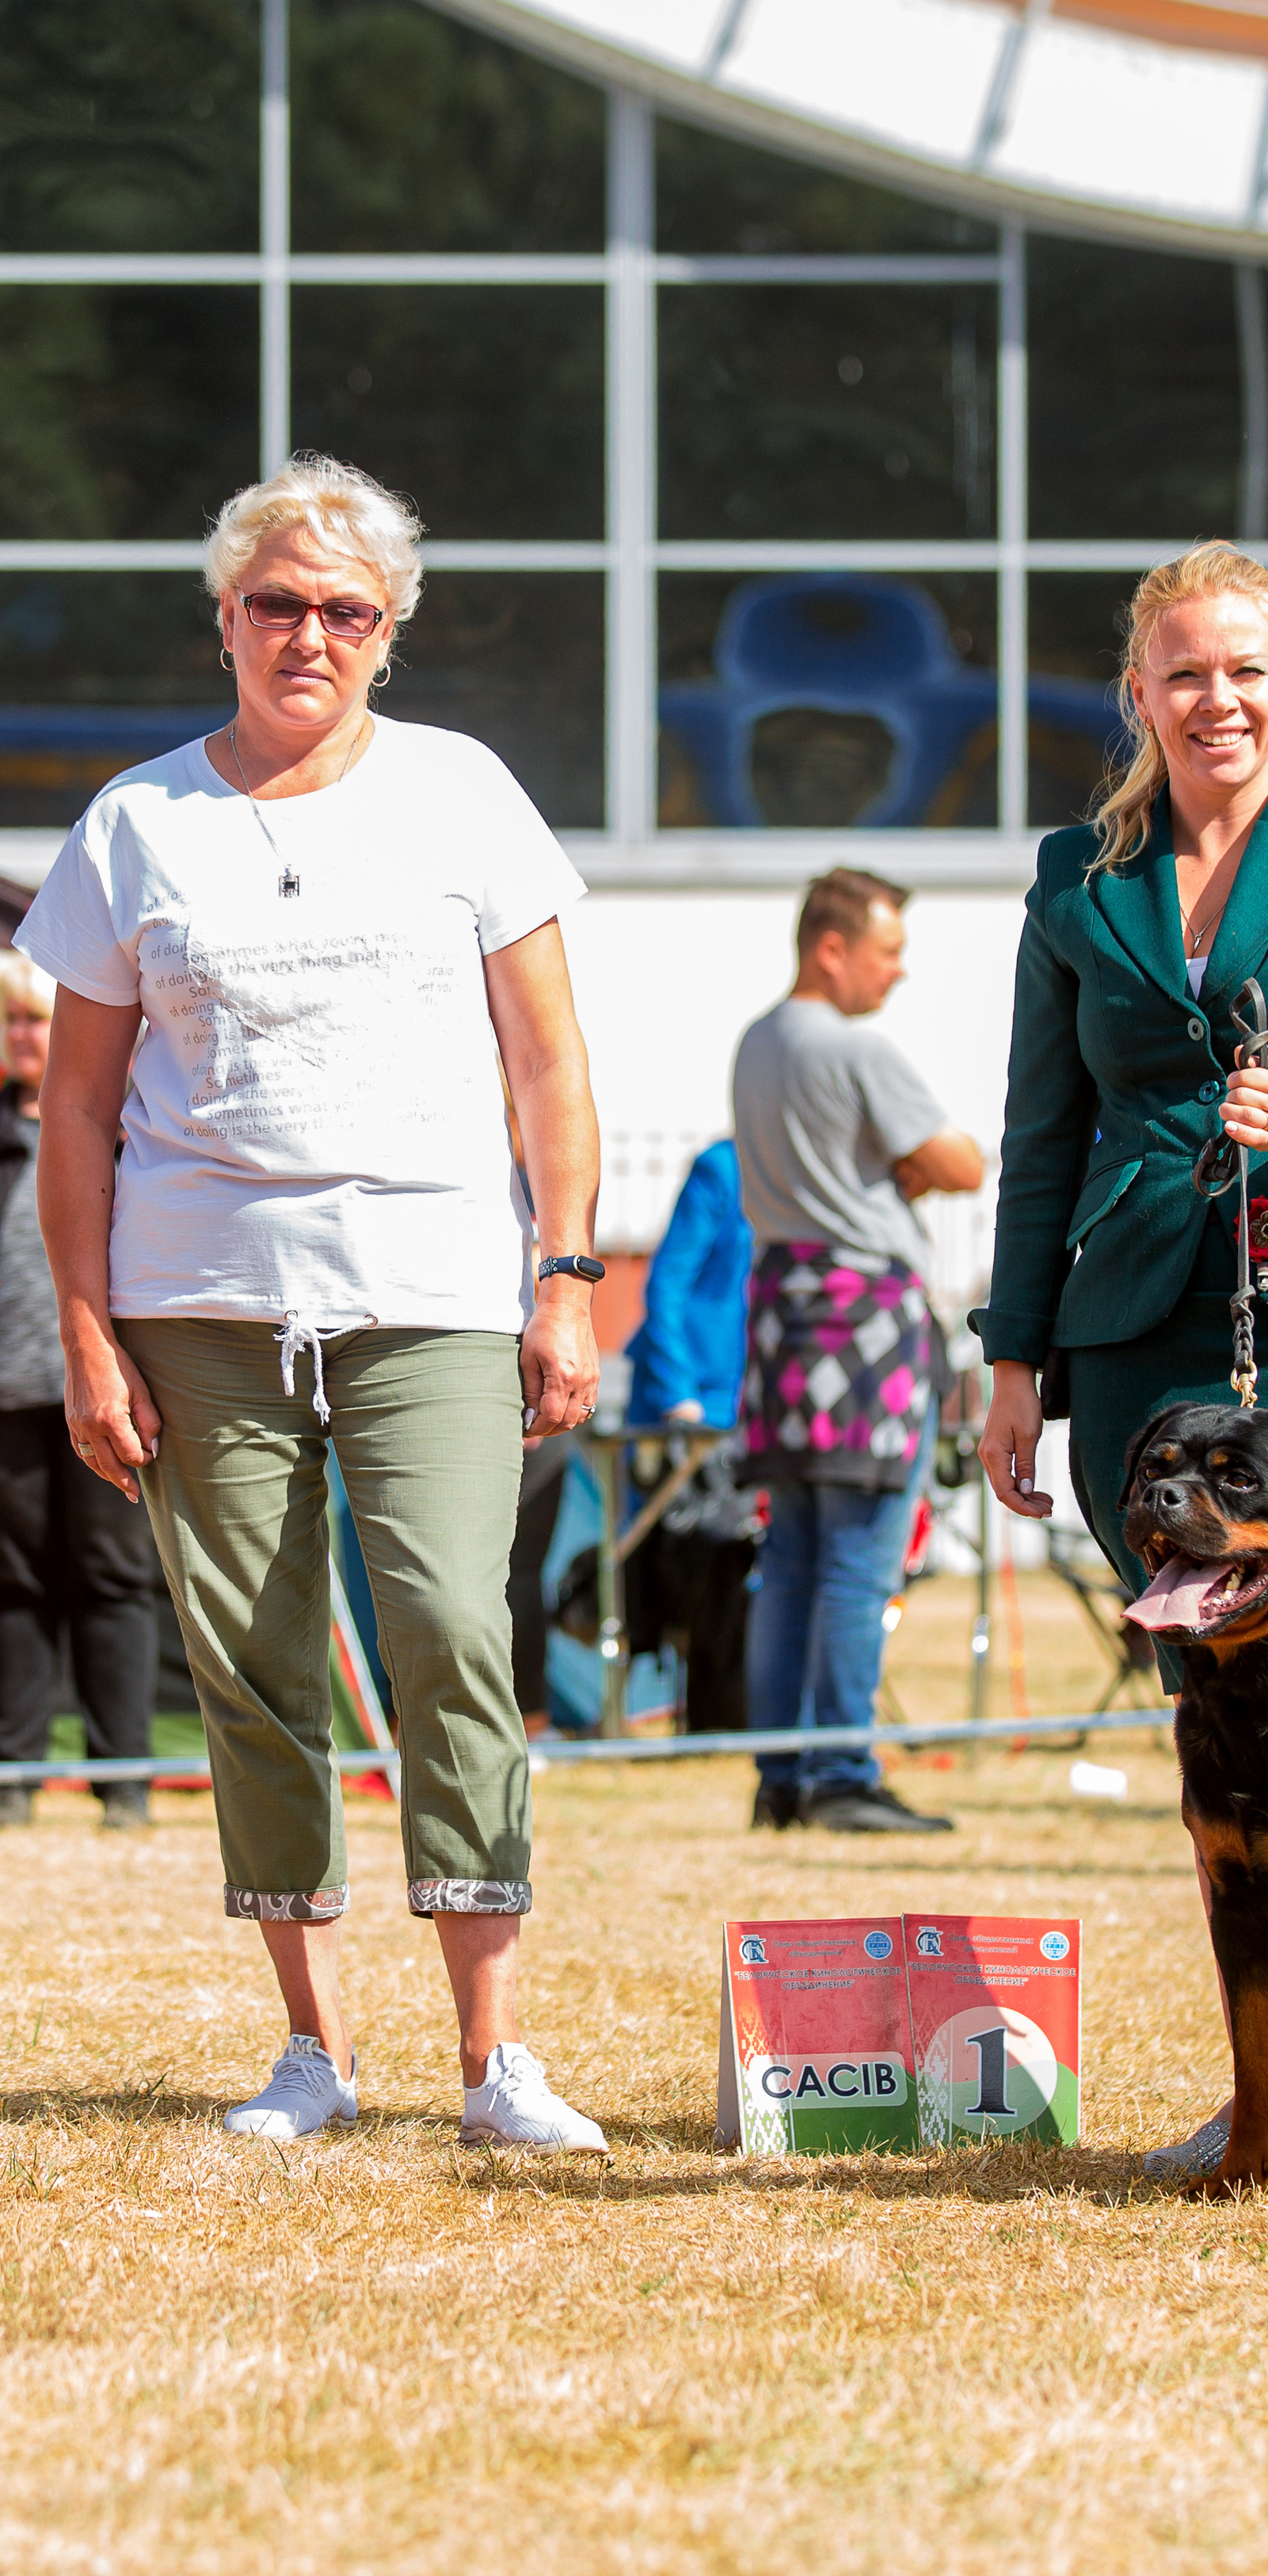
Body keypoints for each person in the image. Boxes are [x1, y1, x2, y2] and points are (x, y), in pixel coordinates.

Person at [20, 455, 607, 2152]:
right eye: (276, 602)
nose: (308, 634)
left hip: (429, 1284)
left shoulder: (465, 796)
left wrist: (564, 1277)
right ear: (223, 617)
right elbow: (74, 1110)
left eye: (346, 611)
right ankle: (311, 2051)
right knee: (254, 1664)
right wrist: (82, 1328)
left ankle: (495, 2058)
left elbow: (551, 1062)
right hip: (196, 1295)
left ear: (388, 632)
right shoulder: (136, 822)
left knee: (450, 1628)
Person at [973, 542, 1268, 2186]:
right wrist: (1012, 1358)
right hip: (1135, 1333)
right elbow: (1041, 1133)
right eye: (1182, 670)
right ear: (1135, 695)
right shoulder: (1075, 876)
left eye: (1245, 668)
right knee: (1211, 1697)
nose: (1216, 699)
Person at [733, 867, 982, 1833]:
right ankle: (842, 1769)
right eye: (887, 954)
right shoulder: (850, 1045)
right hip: (867, 1318)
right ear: (831, 947)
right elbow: (959, 1161)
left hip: (783, 1311)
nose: (897, 975)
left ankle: (780, 1776)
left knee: (790, 1552)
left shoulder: (757, 1043)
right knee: (860, 1558)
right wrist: (904, 1165)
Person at [0, 953, 160, 1828]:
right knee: (14, 1584)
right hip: (10, 1391)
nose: (26, 1037)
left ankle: (124, 1781)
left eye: (36, 1020)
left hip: (102, 1380)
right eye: (13, 1022)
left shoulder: (121, 1126)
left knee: (113, 1578)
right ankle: (15, 1774)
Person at [625, 1137, 752, 1432]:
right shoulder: (723, 1168)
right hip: (693, 1391)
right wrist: (678, 1393)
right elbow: (666, 1284)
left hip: (745, 1392)